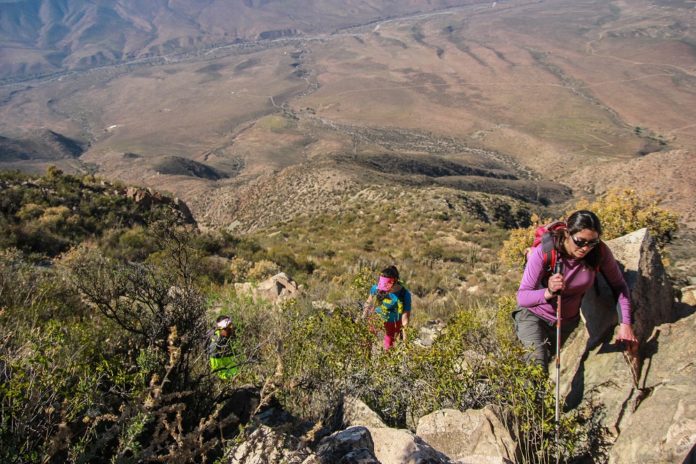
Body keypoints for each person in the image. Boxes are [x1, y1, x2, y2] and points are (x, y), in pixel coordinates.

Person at [514, 210, 638, 372]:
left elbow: (619, 286)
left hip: (565, 323)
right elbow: (523, 297)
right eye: (580, 241)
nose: (586, 248)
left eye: (592, 242)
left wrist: (626, 324)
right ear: (567, 233)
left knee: (545, 367)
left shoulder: (599, 252)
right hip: (533, 316)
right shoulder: (545, 252)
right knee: (536, 369)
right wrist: (549, 292)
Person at [363, 265, 412, 349]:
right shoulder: (376, 288)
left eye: (386, 286)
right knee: (366, 342)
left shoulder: (404, 294)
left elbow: (405, 321)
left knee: (388, 348)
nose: (384, 290)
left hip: (392, 322)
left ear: (395, 281)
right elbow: (368, 302)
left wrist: (405, 342)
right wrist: (363, 317)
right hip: (376, 317)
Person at [208, 315, 240, 379]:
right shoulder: (215, 344)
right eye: (228, 327)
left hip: (234, 377)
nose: (231, 329)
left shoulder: (229, 340)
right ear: (221, 329)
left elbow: (233, 364)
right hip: (225, 381)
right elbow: (217, 370)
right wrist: (231, 378)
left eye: (231, 325)